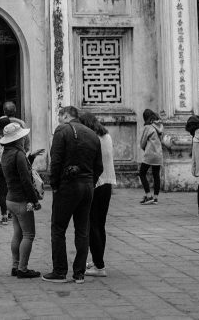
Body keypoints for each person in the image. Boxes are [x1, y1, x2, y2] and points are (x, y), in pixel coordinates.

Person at [43, 105, 102, 284]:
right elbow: (99, 166)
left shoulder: (62, 130)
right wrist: (90, 181)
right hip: (87, 186)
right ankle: (79, 273)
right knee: (82, 229)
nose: (59, 119)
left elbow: (56, 161)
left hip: (68, 185)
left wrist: (54, 185)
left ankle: (60, 271)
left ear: (66, 115)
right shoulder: (93, 134)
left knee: (58, 228)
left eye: (60, 116)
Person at [0, 121, 41, 279]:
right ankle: (23, 268)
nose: (24, 139)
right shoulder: (19, 155)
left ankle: (15, 265)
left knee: (17, 233)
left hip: (10, 199)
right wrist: (34, 200)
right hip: (22, 201)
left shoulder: (6, 154)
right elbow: (25, 181)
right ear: (18, 140)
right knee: (28, 234)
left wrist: (31, 157)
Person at [80, 112, 115, 277]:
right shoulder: (106, 135)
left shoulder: (91, 138)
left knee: (92, 225)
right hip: (107, 183)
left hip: (95, 183)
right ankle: (97, 260)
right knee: (100, 225)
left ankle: (99, 266)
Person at [138, 109, 164, 204]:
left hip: (150, 154)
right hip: (159, 154)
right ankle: (155, 198)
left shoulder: (148, 127)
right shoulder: (160, 126)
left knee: (142, 173)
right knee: (156, 175)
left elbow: (142, 142)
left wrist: (144, 148)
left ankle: (148, 196)